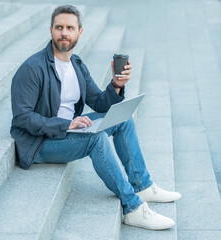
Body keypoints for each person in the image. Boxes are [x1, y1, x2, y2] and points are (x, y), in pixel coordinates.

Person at [10, 5, 181, 230]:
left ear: (79, 33)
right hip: (39, 143)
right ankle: (133, 208)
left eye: (70, 28)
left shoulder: (77, 65)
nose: (64, 33)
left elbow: (99, 102)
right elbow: (22, 118)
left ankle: (142, 185)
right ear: (51, 30)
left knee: (122, 118)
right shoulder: (32, 68)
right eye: (59, 27)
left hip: (68, 131)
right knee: (96, 139)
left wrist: (116, 86)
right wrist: (66, 123)